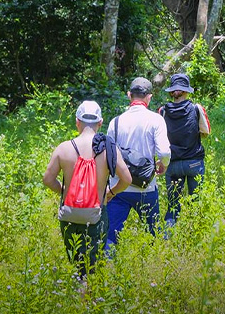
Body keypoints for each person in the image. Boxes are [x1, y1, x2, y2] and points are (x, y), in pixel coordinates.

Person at [43, 100, 131, 278]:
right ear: (100, 122)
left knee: (76, 264)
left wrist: (65, 191)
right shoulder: (108, 148)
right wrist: (110, 193)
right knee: (92, 266)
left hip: (69, 214)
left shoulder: (64, 148)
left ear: (77, 121)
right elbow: (127, 179)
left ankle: (76, 295)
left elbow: (47, 179)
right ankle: (88, 299)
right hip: (96, 213)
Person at [105, 77, 170, 252]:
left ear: (129, 95)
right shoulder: (156, 120)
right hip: (146, 188)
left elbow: (109, 156)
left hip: (119, 187)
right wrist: (162, 164)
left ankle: (108, 270)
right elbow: (164, 152)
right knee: (153, 234)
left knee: (111, 235)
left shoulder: (115, 122)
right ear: (149, 97)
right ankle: (152, 269)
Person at [158, 73, 210, 227]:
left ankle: (168, 235)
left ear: (172, 92)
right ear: (186, 91)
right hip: (194, 162)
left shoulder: (162, 111)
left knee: (173, 205)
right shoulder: (196, 108)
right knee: (195, 202)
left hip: (172, 163)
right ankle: (193, 234)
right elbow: (206, 132)